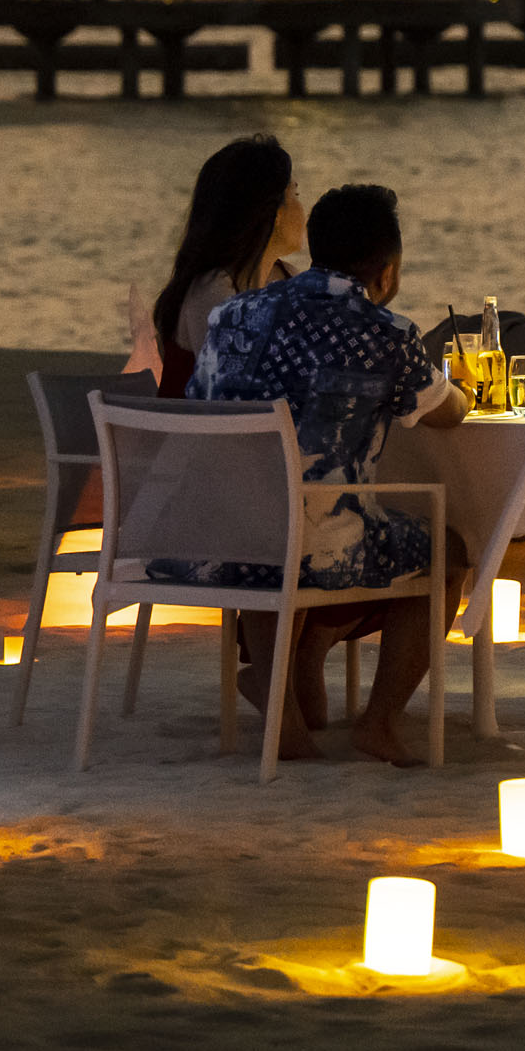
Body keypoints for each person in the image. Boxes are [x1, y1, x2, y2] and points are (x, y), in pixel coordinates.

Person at [185, 182, 464, 765]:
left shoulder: (231, 315)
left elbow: (199, 406)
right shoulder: (385, 333)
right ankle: (380, 721)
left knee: (272, 520)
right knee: (447, 548)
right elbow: (450, 414)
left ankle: (285, 719)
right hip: (314, 548)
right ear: (385, 274)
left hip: (216, 538)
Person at [128, 135, 304, 397]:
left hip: (259, 430)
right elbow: (229, 390)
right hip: (200, 435)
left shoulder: (288, 277)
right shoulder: (212, 289)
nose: (303, 208)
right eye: (296, 194)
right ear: (275, 213)